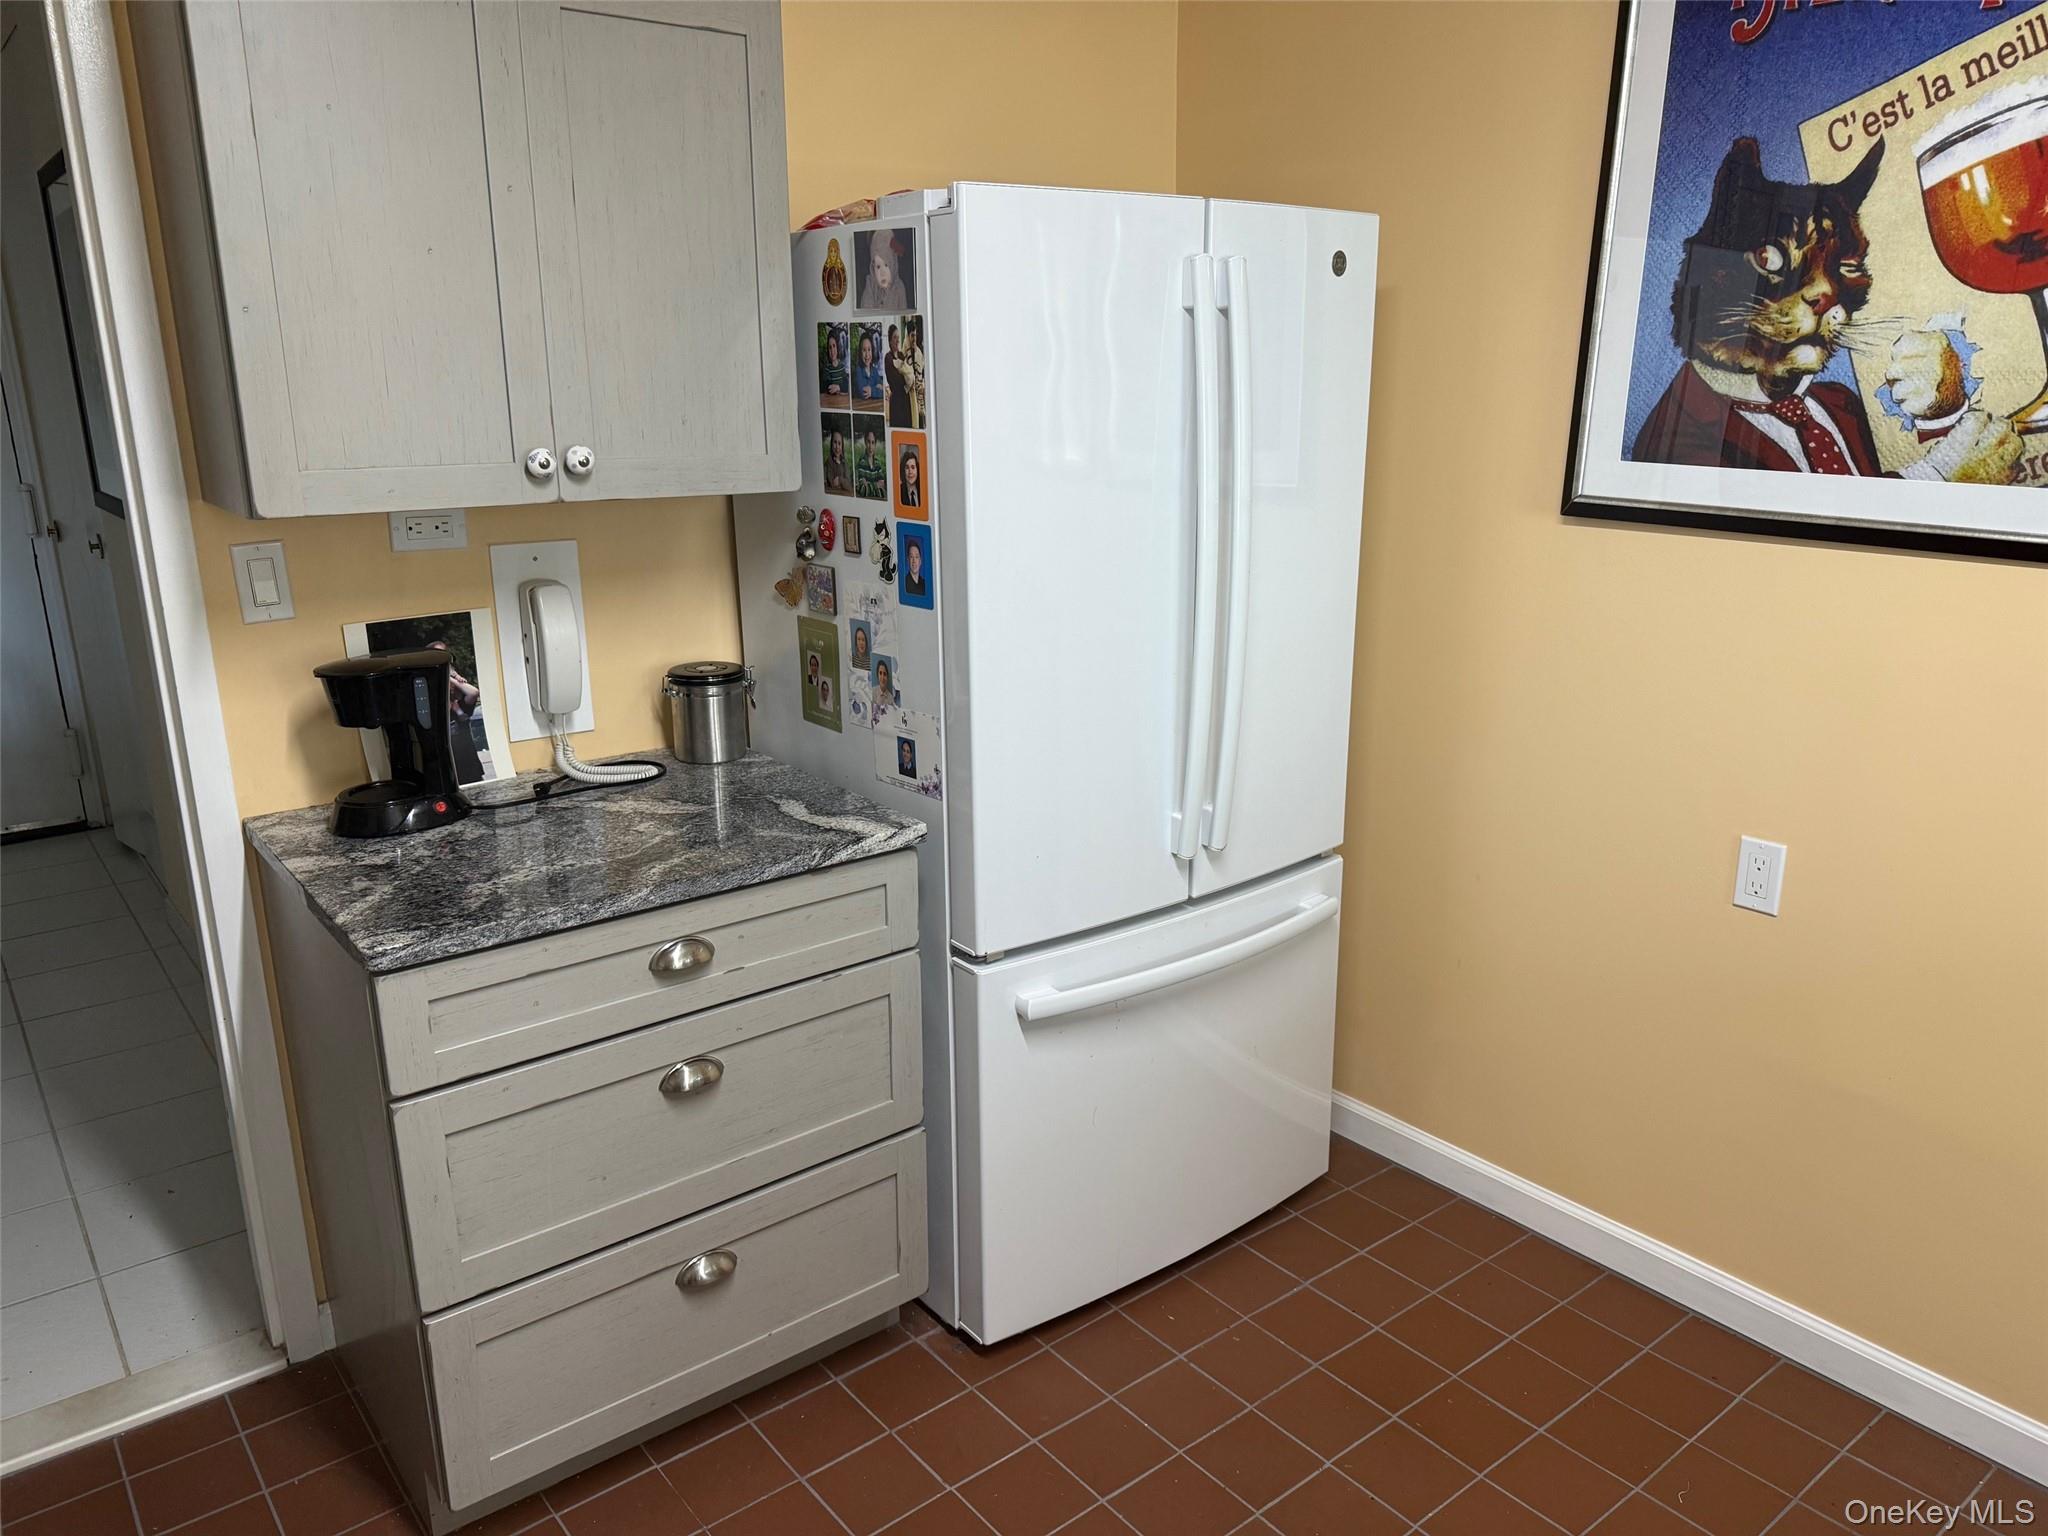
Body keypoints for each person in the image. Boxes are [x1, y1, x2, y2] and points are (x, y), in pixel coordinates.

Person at [428, 641, 485, 782]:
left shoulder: (460, 706)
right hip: (448, 771)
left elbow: (473, 692)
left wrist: (448, 676)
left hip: (470, 767)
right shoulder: (433, 710)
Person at [861, 231, 911, 310]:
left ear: (893, 265)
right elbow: (866, 308)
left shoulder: (899, 288)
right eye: (878, 267)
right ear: (873, 268)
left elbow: (903, 311)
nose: (882, 273)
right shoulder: (870, 287)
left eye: (886, 265)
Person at [885, 325, 911, 428]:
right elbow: (895, 381)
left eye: (898, 337)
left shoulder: (901, 355)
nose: (897, 340)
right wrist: (904, 377)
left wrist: (905, 375)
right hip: (896, 403)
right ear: (890, 340)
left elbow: (909, 373)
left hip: (905, 401)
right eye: (895, 337)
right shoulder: (888, 358)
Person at [853, 328, 885, 409]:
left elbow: (883, 390)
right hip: (861, 409)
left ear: (872, 351)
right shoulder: (858, 370)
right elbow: (863, 393)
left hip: (873, 408)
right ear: (860, 352)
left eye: (869, 350)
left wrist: (871, 390)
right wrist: (876, 388)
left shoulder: (874, 370)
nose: (867, 355)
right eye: (864, 350)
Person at [854, 429, 886, 500]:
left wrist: (868, 486)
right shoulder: (861, 462)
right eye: (868, 442)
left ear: (875, 444)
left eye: (873, 442)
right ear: (865, 442)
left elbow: (882, 492)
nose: (870, 446)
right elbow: (863, 491)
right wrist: (876, 485)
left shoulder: (878, 463)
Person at [819, 328, 848, 402]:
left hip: (841, 401)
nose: (832, 351)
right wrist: (831, 389)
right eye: (830, 347)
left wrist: (839, 387)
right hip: (831, 401)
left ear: (838, 347)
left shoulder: (842, 366)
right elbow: (824, 387)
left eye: (834, 346)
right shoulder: (827, 368)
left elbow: (846, 385)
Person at [824, 426, 853, 493]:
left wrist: (840, 480)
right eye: (835, 442)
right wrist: (843, 483)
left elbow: (849, 486)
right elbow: (833, 483)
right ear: (831, 444)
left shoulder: (845, 463)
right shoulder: (828, 463)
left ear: (842, 446)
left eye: (839, 443)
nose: (837, 447)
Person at [897, 444, 922, 509]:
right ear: (903, 470)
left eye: (913, 467)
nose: (910, 471)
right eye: (907, 468)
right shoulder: (899, 492)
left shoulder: (923, 489)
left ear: (917, 469)